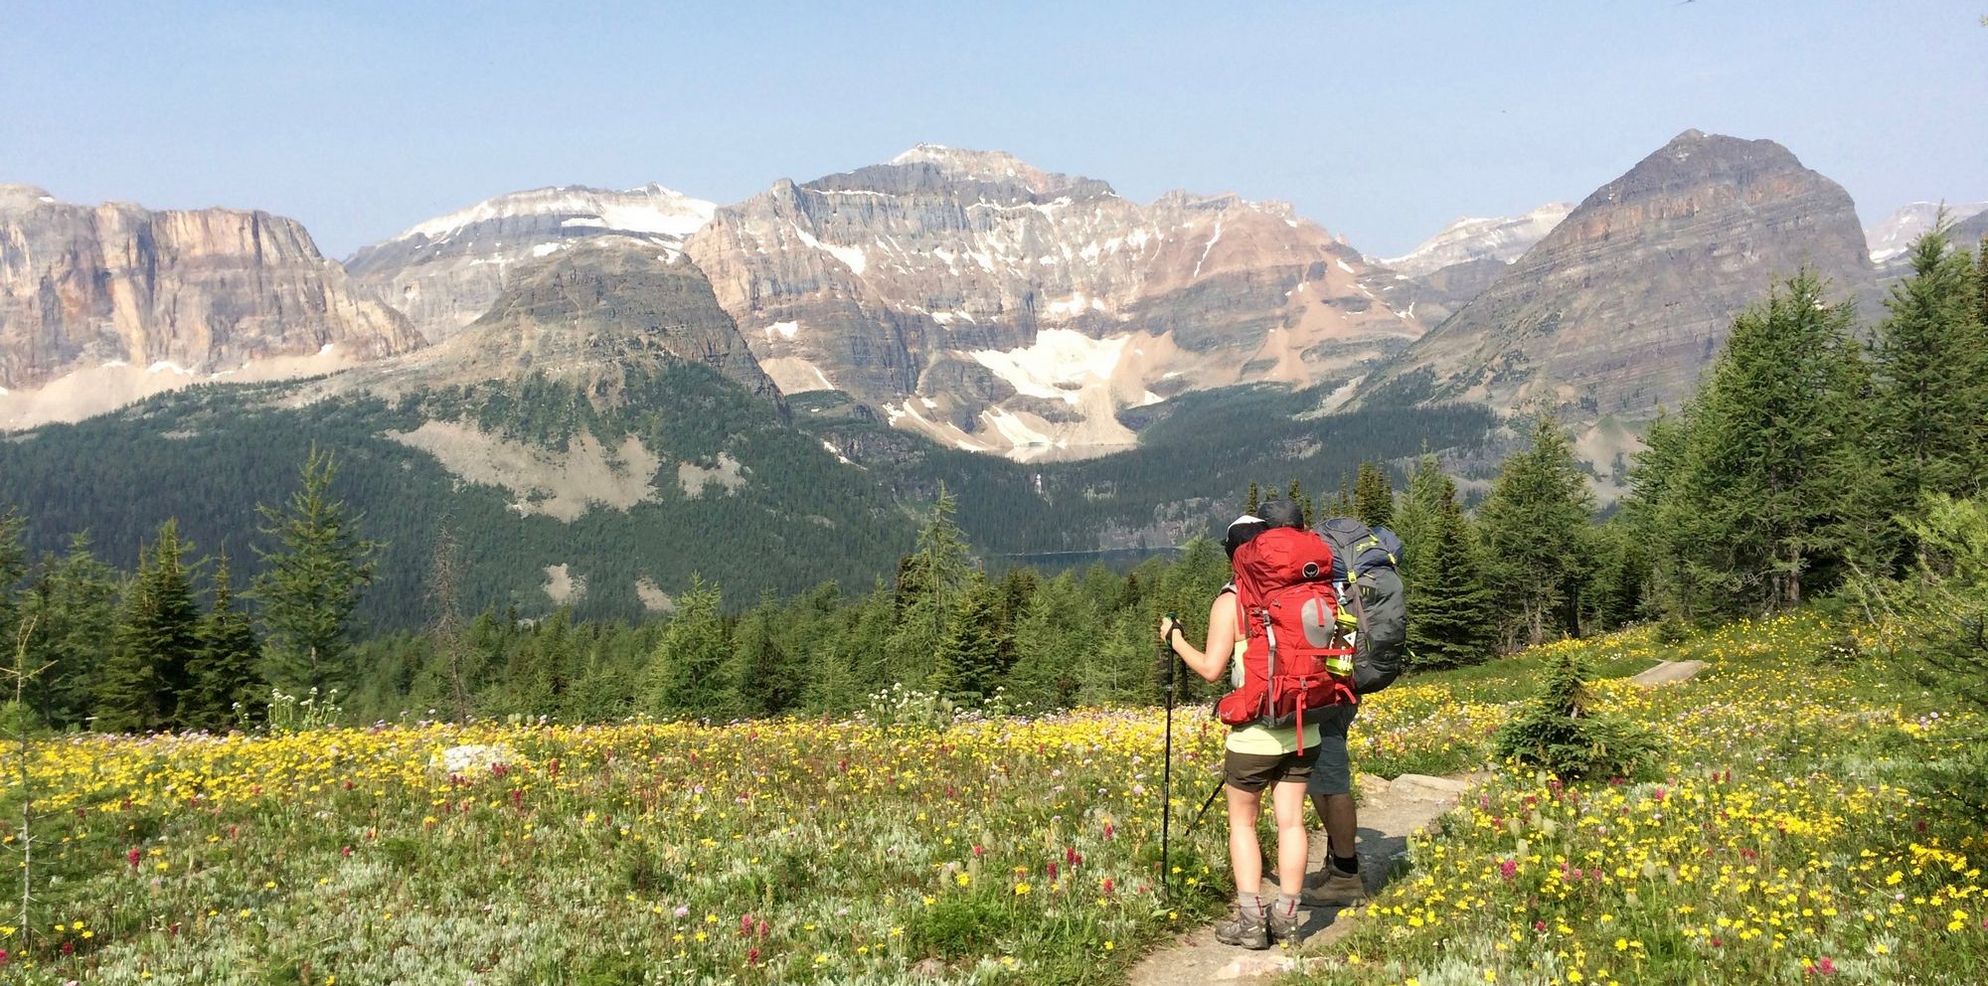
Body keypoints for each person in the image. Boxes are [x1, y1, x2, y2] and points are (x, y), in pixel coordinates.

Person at [1159, 506, 1316, 949]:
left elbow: (1211, 669)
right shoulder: (1303, 590)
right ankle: (1288, 918)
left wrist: (1175, 639)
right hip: (1305, 727)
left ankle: (1251, 920)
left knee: (1243, 825)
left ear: (1233, 555)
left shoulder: (1231, 601)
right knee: (1291, 824)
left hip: (1253, 733)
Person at [1301, 706, 1366, 906]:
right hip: (1328, 700)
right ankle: (1337, 864)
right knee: (1320, 783)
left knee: (1331, 784)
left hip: (1325, 702)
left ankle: (1346, 877)